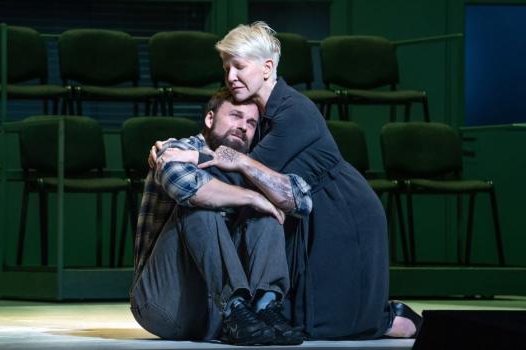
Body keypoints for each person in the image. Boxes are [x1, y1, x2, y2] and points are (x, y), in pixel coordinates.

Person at [157, 21, 422, 339]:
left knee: (330, 323)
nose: (230, 76)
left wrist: (190, 157)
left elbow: (243, 172)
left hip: (340, 211)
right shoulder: (260, 112)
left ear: (267, 67)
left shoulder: (294, 112)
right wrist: (177, 148)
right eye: (226, 67)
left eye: (239, 66)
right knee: (292, 316)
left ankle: (395, 319)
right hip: (303, 209)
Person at [130, 88, 312, 345]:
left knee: (265, 214)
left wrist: (246, 169)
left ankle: (265, 308)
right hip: (165, 304)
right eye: (235, 116)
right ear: (209, 119)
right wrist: (252, 197)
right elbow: (185, 186)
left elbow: (303, 200)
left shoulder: (253, 163)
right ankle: (235, 307)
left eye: (251, 122)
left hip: (224, 317)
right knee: (200, 204)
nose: (243, 127)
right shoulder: (178, 148)